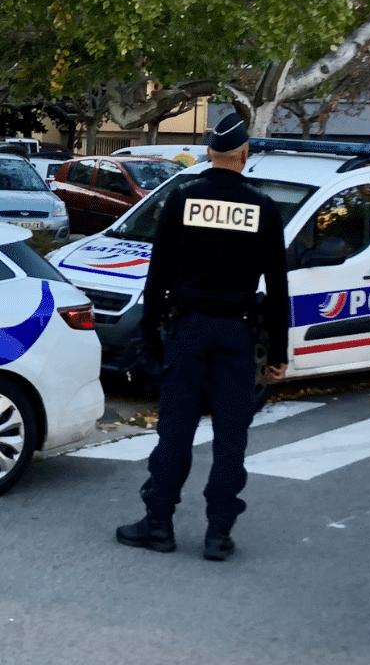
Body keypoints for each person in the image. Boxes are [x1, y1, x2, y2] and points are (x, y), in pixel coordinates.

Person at [116, 112, 289, 562]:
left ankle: (158, 526)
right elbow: (278, 289)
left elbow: (157, 278)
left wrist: (150, 335)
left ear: (209, 154)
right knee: (232, 436)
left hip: (187, 331)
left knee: (175, 432)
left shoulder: (182, 200)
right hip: (236, 334)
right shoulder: (265, 209)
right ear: (244, 157)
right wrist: (278, 352)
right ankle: (218, 534)